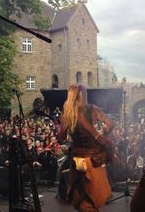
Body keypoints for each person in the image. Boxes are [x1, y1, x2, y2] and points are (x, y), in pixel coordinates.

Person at [57, 83, 115, 212]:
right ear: (84, 95)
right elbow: (110, 124)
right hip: (93, 160)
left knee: (81, 197)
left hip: (76, 160)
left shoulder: (67, 113)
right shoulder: (93, 109)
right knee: (93, 199)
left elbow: (60, 138)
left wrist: (62, 123)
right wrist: (101, 133)